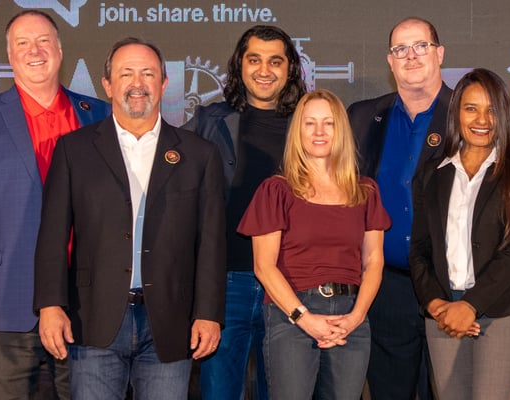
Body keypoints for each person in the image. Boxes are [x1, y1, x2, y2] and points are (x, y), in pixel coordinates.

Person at [33, 37, 227, 399]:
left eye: (148, 74)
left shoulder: (200, 155)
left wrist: (209, 313)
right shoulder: (74, 150)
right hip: (92, 319)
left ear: (164, 84)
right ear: (107, 84)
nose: (137, 84)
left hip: (171, 323)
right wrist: (50, 305)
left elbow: (212, 243)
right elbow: (52, 237)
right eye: (126, 74)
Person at [0, 10, 109, 399]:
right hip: (2, 304)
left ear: (60, 50)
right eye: (22, 43)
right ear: (9, 55)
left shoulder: (99, 115)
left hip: (88, 305)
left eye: (44, 40)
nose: (35, 50)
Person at [180, 25, 307, 400]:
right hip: (225, 283)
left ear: (290, 70)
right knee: (219, 392)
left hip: (289, 284)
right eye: (254, 59)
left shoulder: (308, 125)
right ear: (239, 66)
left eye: (275, 61)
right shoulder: (207, 121)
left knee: (285, 392)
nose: (264, 70)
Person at [239, 89, 389, 400]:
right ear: (298, 132)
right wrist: (304, 318)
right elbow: (263, 267)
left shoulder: (366, 191)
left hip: (351, 316)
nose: (319, 132)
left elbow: (374, 260)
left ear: (341, 131)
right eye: (310, 123)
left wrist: (356, 316)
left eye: (329, 123)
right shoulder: (275, 191)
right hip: (291, 316)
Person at [410, 68, 510, 400]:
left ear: (503, 114)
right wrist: (434, 302)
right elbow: (420, 248)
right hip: (442, 310)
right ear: (456, 112)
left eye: (490, 110)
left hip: (503, 309)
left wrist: (470, 305)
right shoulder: (433, 172)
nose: (481, 119)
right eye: (471, 108)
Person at [347, 16, 450, 400]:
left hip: (449, 283)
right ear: (389, 62)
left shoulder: (468, 114)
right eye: (400, 49)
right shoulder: (361, 117)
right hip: (385, 286)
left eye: (420, 46)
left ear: (439, 53)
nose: (411, 56)